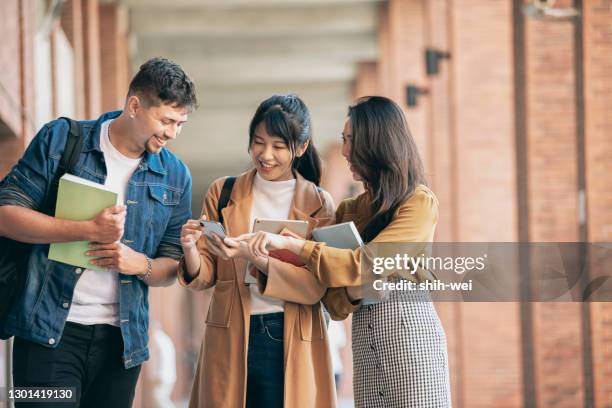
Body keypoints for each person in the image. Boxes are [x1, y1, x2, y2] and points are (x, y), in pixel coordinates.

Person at [0, 57, 197, 408]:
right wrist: (86, 230)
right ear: (135, 105)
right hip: (44, 336)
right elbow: (5, 215)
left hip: (121, 348)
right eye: (166, 120)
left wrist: (138, 264)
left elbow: (171, 266)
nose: (172, 133)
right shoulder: (61, 139)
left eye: (180, 123)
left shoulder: (176, 176)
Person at [236, 96, 452, 407]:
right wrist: (350, 288)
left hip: (410, 337)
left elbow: (368, 263)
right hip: (365, 343)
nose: (345, 150)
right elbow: (335, 303)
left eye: (352, 140)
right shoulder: (351, 210)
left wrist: (295, 246)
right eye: (343, 139)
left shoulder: (418, 202)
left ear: (376, 143)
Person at [178, 94, 337, 408]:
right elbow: (206, 275)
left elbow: (317, 285)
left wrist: (257, 259)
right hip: (230, 332)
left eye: (278, 146)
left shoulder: (318, 203)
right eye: (258, 142)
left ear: (300, 148)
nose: (266, 155)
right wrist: (189, 249)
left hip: (289, 334)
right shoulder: (223, 192)